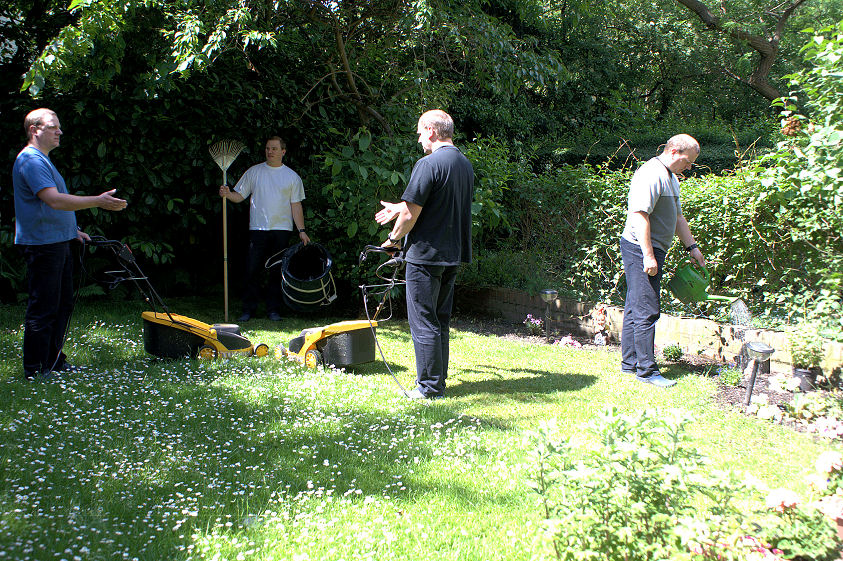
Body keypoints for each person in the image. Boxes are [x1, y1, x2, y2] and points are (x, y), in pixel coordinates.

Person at [12, 108, 128, 381]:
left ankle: (53, 362)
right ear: (34, 130)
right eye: (53, 126)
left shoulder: (43, 160)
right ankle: (35, 368)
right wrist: (98, 201)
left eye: (58, 126)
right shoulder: (31, 160)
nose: (59, 131)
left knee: (62, 304)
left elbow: (50, 207)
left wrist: (73, 230)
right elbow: (54, 200)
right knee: (44, 306)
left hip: (58, 241)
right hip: (43, 245)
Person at [375, 110, 474, 400]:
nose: (419, 139)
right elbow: (436, 202)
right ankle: (437, 380)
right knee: (439, 320)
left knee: (423, 321)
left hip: (425, 256)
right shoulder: (463, 164)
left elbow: (410, 213)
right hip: (452, 254)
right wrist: (400, 206)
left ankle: (429, 388)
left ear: (431, 130)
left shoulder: (428, 163)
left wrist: (393, 239)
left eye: (420, 133)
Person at [619, 134, 705, 388]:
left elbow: (678, 218)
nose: (689, 167)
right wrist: (647, 254)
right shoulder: (651, 174)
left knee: (636, 305)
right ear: (674, 151)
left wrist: (692, 247)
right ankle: (647, 371)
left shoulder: (670, 178)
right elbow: (638, 215)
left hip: (652, 248)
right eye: (688, 161)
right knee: (647, 307)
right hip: (640, 248)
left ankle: (630, 363)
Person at [219, 136, 310, 322]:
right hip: (258, 229)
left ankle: (273, 310)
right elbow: (239, 196)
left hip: (282, 229)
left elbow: (296, 205)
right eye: (268, 148)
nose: (270, 151)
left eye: (274, 148)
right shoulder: (254, 172)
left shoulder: (292, 177)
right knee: (252, 269)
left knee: (276, 272)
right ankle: (248, 310)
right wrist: (227, 194)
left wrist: (301, 230)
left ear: (283, 151)